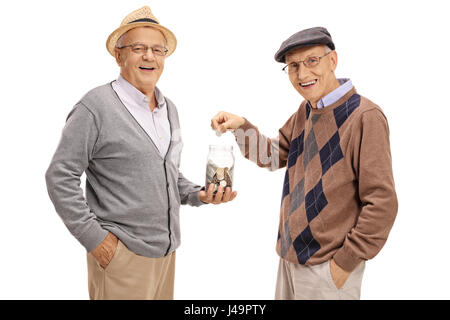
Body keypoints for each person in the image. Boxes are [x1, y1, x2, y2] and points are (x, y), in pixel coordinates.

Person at [45, 6, 236, 300]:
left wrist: (199, 194)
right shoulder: (94, 107)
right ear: (119, 55)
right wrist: (97, 241)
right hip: (122, 257)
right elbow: (60, 175)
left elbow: (167, 172)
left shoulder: (168, 108)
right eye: (139, 48)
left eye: (158, 50)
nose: (150, 57)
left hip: (166, 255)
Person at [211, 27, 398, 300]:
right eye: (293, 66)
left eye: (312, 61)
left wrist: (344, 263)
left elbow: (382, 203)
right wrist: (241, 126)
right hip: (290, 258)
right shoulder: (307, 110)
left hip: (328, 267)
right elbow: (273, 156)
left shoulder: (365, 116)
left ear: (332, 61)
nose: (302, 74)